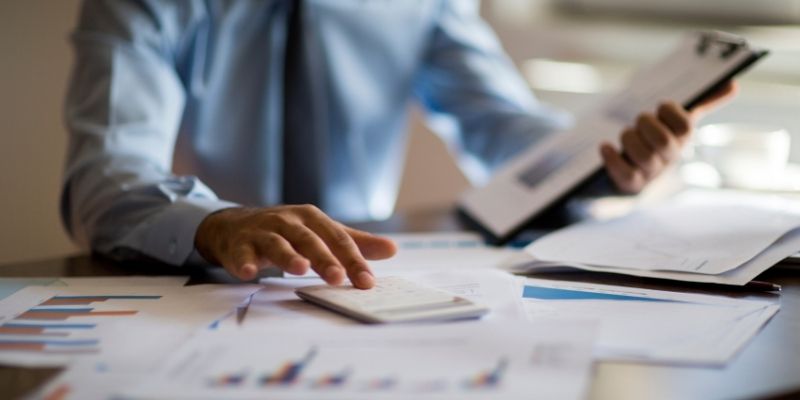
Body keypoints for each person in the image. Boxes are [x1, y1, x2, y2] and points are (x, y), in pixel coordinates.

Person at [61, 0, 735, 290]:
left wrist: (606, 160)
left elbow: (502, 128)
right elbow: (106, 173)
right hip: (204, 283)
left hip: (368, 284)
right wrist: (215, 221)